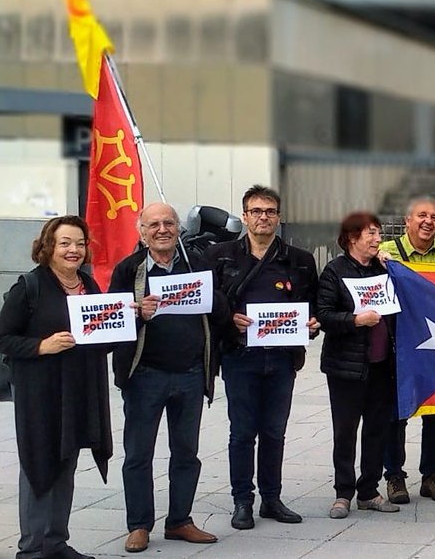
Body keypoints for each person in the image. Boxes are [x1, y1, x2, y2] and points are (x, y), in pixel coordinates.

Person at [109, 203, 229, 553]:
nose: (162, 230)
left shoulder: (197, 263)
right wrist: (139, 315)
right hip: (144, 376)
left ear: (179, 228)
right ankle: (139, 525)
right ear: (141, 231)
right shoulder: (128, 269)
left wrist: (211, 298)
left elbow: (220, 311)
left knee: (186, 453)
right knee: (138, 454)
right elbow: (112, 324)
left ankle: (179, 520)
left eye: (169, 223)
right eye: (154, 225)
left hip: (191, 375)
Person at [208, 185, 320, 530]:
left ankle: (272, 498)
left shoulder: (299, 259)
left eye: (269, 211)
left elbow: (313, 306)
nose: (263, 217)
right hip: (240, 357)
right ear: (244, 216)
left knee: (274, 432)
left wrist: (313, 324)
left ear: (279, 217)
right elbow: (206, 307)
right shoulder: (220, 256)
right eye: (256, 211)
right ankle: (243, 500)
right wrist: (228, 320)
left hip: (283, 359)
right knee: (242, 433)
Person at [0, 216, 112, 559]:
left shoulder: (89, 286)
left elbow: (99, 339)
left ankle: (56, 542)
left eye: (79, 243)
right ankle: (32, 549)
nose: (73, 250)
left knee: (67, 460)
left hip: (77, 389)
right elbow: (4, 338)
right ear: (48, 247)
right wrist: (40, 346)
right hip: (38, 392)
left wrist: (125, 318)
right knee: (38, 462)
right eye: (65, 243)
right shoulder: (29, 286)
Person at [317, 211, 401, 518]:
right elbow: (324, 315)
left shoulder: (382, 268)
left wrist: (393, 268)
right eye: (372, 234)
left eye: (379, 234)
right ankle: (343, 493)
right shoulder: (334, 271)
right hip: (346, 368)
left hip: (381, 365)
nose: (378, 239)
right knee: (346, 431)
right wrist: (355, 320)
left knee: (377, 429)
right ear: (353, 238)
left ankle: (369, 490)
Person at [376, 197, 435, 503]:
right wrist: (377, 260)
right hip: (399, 345)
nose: (428, 221)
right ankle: (394, 477)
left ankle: (433, 476)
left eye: (434, 217)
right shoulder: (387, 252)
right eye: (421, 215)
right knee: (395, 414)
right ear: (407, 220)